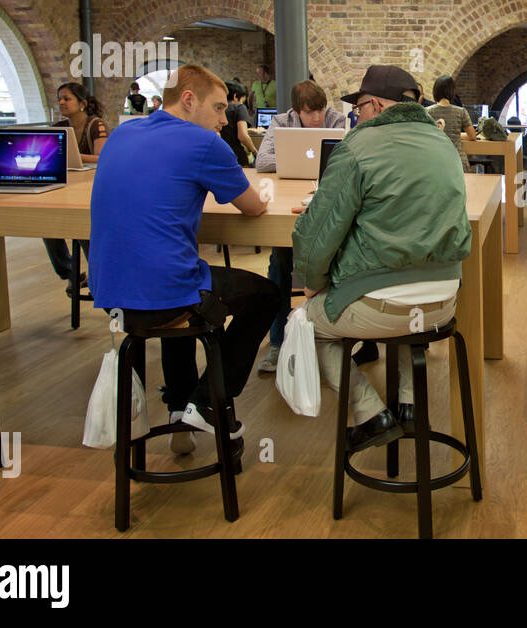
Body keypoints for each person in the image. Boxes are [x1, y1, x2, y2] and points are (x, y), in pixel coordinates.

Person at [88, 64, 277, 451]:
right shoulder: (206, 145)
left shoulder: (122, 133)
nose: (224, 120)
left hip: (111, 295)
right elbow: (253, 208)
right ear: (189, 101)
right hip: (165, 295)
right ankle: (207, 403)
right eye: (219, 109)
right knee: (267, 296)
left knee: (182, 279)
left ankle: (179, 410)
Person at [293, 65, 471, 452]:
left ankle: (370, 412)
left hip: (383, 305)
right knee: (407, 300)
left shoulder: (356, 146)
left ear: (373, 104)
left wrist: (310, 280)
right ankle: (408, 403)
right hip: (444, 301)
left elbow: (317, 233)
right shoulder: (443, 143)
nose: (356, 117)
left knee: (305, 323)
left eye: (358, 109)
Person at [254, 80, 347, 373]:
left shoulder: (337, 119)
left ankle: (332, 340)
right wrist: (303, 161)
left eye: (319, 110)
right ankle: (279, 342)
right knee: (280, 260)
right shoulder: (281, 123)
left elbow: (349, 160)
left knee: (337, 257)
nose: (317, 117)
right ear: (296, 111)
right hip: (289, 203)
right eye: (309, 112)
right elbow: (262, 161)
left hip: (328, 204)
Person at [42, 82, 110, 289]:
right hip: (65, 188)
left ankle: (99, 276)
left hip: (93, 188)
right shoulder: (59, 128)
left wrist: (75, 156)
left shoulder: (96, 125)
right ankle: (70, 271)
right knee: (47, 227)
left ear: (81, 103)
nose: (62, 102)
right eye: (60, 98)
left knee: (83, 228)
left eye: (67, 98)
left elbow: (103, 157)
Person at [427, 75, 476, 172]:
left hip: (436, 160)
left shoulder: (427, 112)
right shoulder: (461, 111)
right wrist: (456, 134)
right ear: (452, 91)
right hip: (457, 159)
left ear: (435, 91)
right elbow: (472, 136)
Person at [220, 80, 256, 167]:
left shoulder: (218, 109)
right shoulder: (239, 107)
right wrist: (255, 151)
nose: (242, 103)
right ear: (235, 96)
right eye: (242, 101)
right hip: (238, 158)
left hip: (221, 157)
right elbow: (242, 136)